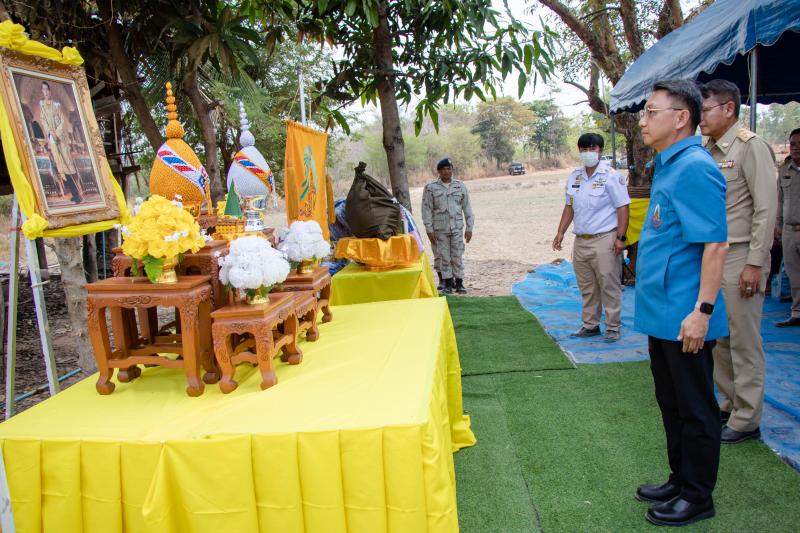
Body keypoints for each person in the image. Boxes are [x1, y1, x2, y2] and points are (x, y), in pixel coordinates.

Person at [634, 79, 728, 527]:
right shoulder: (668, 163)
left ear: (681, 118)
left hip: (686, 314)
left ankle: (697, 495)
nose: (643, 121)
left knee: (695, 407)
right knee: (671, 403)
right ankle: (680, 478)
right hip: (663, 312)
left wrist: (702, 312)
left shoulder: (693, 167)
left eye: (651, 112)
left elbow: (715, 244)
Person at [699, 79, 778, 444]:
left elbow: (765, 208)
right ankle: (731, 402)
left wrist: (756, 263)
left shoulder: (750, 147)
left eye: (705, 110)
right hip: (714, 256)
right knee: (720, 337)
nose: (700, 118)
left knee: (744, 340)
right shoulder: (707, 151)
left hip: (742, 254)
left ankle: (747, 418)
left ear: (728, 109)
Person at [552, 133, 630, 342]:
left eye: (592, 149)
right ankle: (590, 325)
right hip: (581, 240)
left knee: (609, 284)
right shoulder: (574, 177)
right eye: (584, 149)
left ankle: (613, 327)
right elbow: (569, 207)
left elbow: (623, 208)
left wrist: (621, 238)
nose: (588, 153)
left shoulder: (611, 176)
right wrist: (560, 232)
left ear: (600, 150)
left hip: (605, 238)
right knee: (587, 286)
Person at [421, 158, 474, 294]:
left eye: (449, 169)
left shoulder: (460, 186)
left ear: (452, 170)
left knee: (457, 255)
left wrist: (469, 228)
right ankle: (448, 284)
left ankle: (460, 283)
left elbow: (467, 208)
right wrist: (429, 230)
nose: (447, 172)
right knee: (444, 257)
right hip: (440, 229)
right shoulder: (431, 188)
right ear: (438, 171)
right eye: (443, 169)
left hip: (457, 228)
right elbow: (426, 210)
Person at [39, 81, 82, 204]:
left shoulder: (56, 105)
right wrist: (50, 132)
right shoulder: (42, 107)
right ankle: (74, 194)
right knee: (61, 167)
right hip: (53, 140)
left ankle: (78, 194)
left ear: (50, 91)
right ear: (42, 91)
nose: (45, 92)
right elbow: (44, 121)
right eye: (43, 89)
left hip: (61, 139)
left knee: (68, 165)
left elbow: (62, 121)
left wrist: (57, 133)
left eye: (47, 89)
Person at [776, 128, 800, 327]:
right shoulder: (784, 171)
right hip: (790, 231)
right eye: (793, 144)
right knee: (794, 276)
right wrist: (777, 225)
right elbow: (779, 200)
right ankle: (797, 312)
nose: (796, 148)